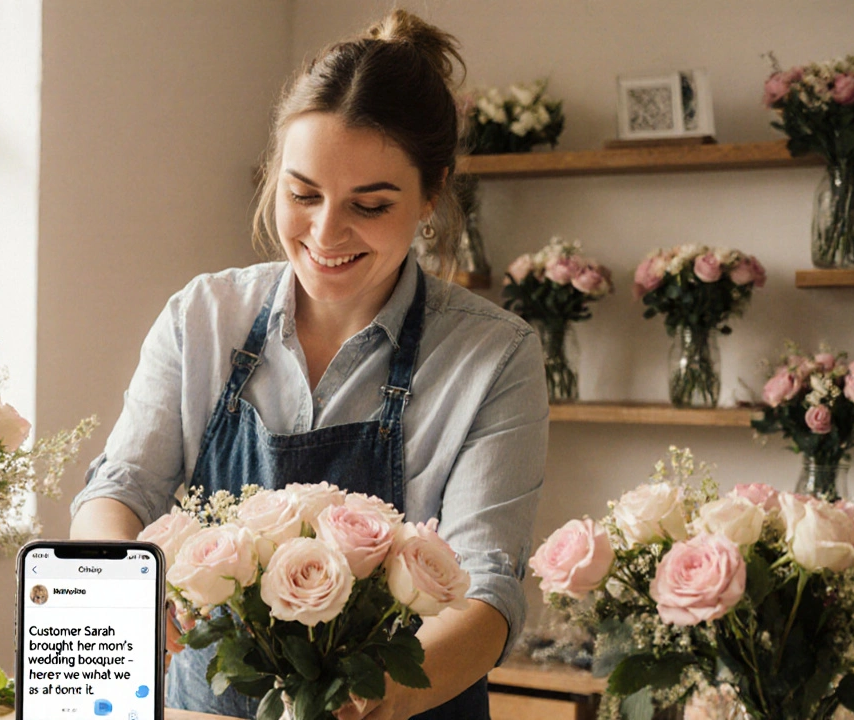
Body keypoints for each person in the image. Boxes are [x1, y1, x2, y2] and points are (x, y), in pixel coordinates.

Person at [69, 9, 546, 720]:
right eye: (303, 194)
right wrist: (122, 592)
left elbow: (487, 593)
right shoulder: (203, 317)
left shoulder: (493, 354)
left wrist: (365, 702)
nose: (326, 233)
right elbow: (122, 488)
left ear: (432, 194)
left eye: (370, 204)